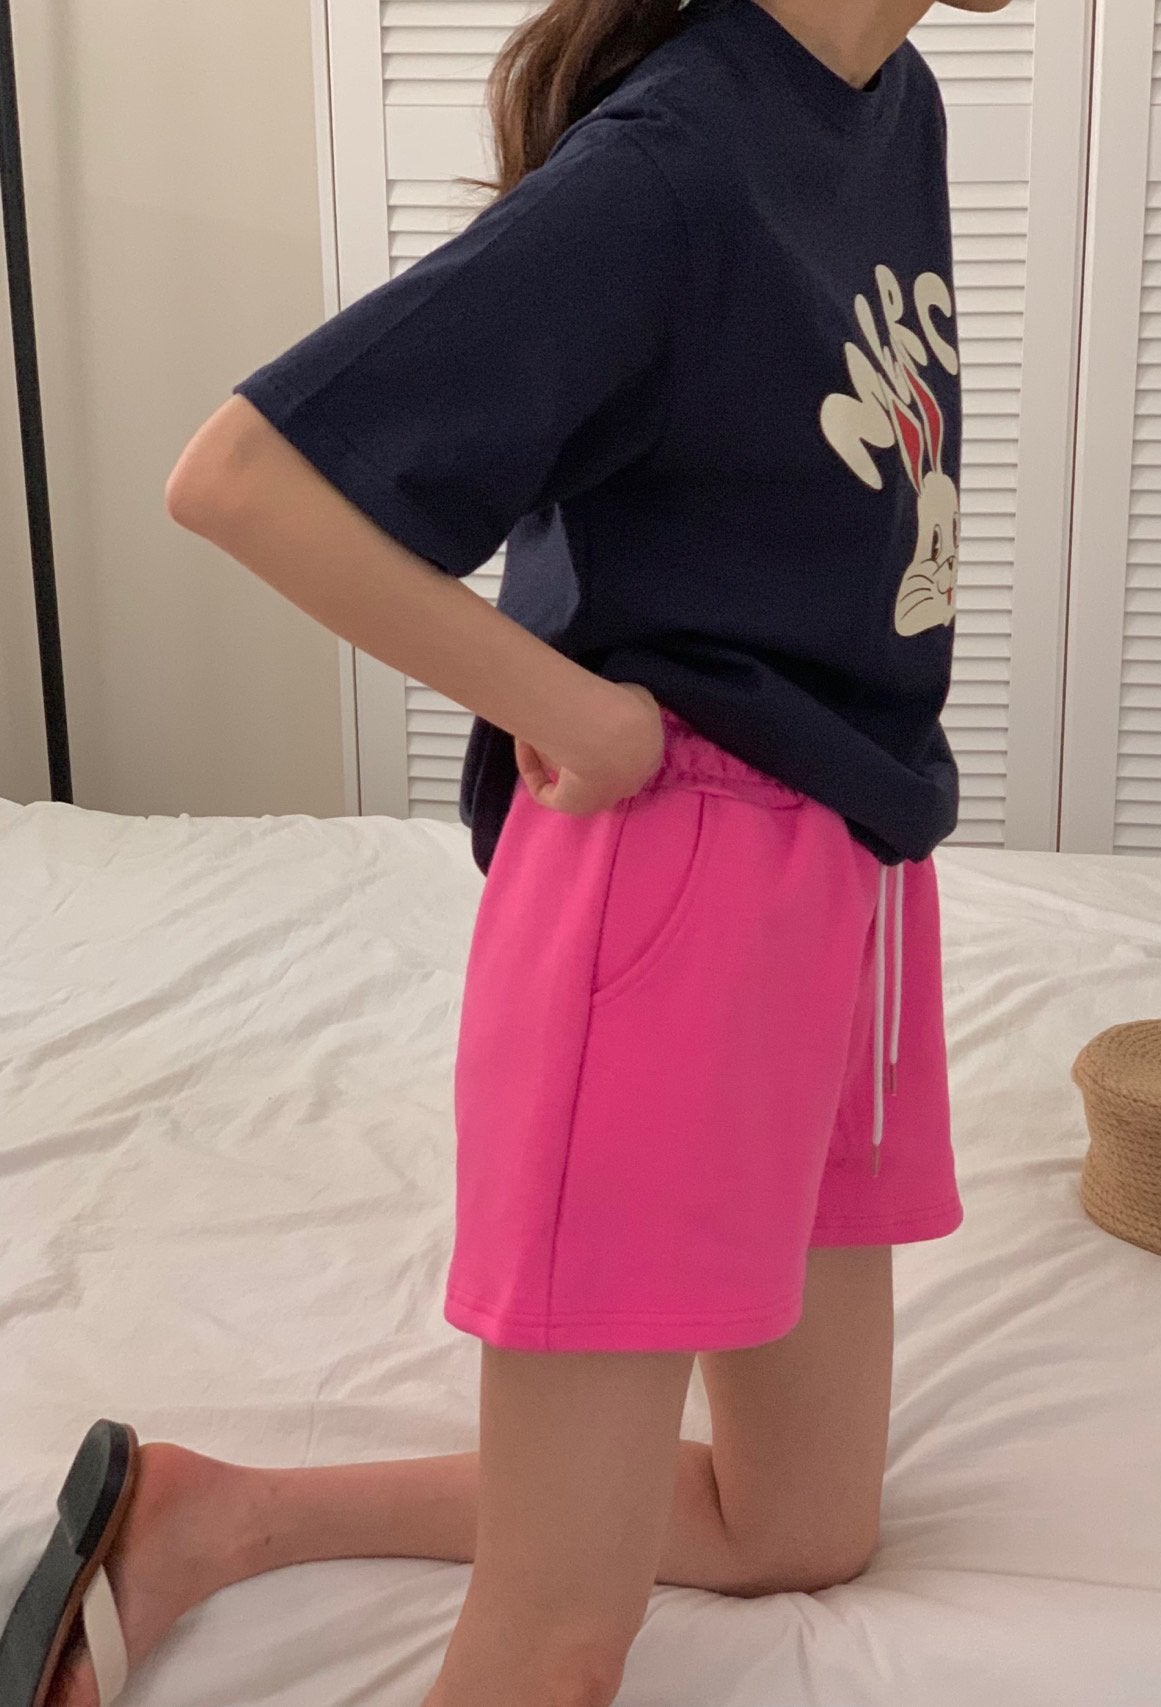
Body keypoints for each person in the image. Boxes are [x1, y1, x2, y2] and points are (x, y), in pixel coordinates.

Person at [1, 2, 1010, 1704]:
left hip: (853, 869)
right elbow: (241, 476)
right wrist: (561, 704)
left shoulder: (884, 101)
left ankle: (222, 1515)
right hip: (679, 890)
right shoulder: (673, 165)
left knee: (802, 1525)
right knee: (557, 1640)